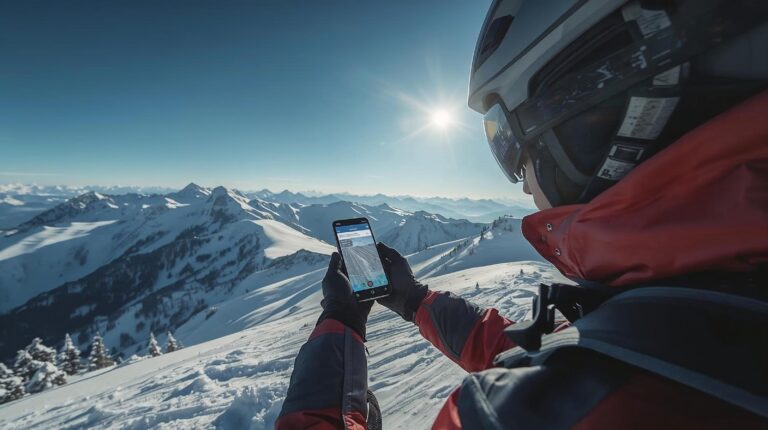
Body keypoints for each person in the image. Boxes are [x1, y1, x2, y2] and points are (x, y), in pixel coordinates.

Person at [276, 0, 768, 428]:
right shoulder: (701, 295)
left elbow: (553, 375)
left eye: (508, 140)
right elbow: (536, 353)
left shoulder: (506, 416)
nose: (520, 180)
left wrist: (341, 326)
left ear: (587, 122)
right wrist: (413, 299)